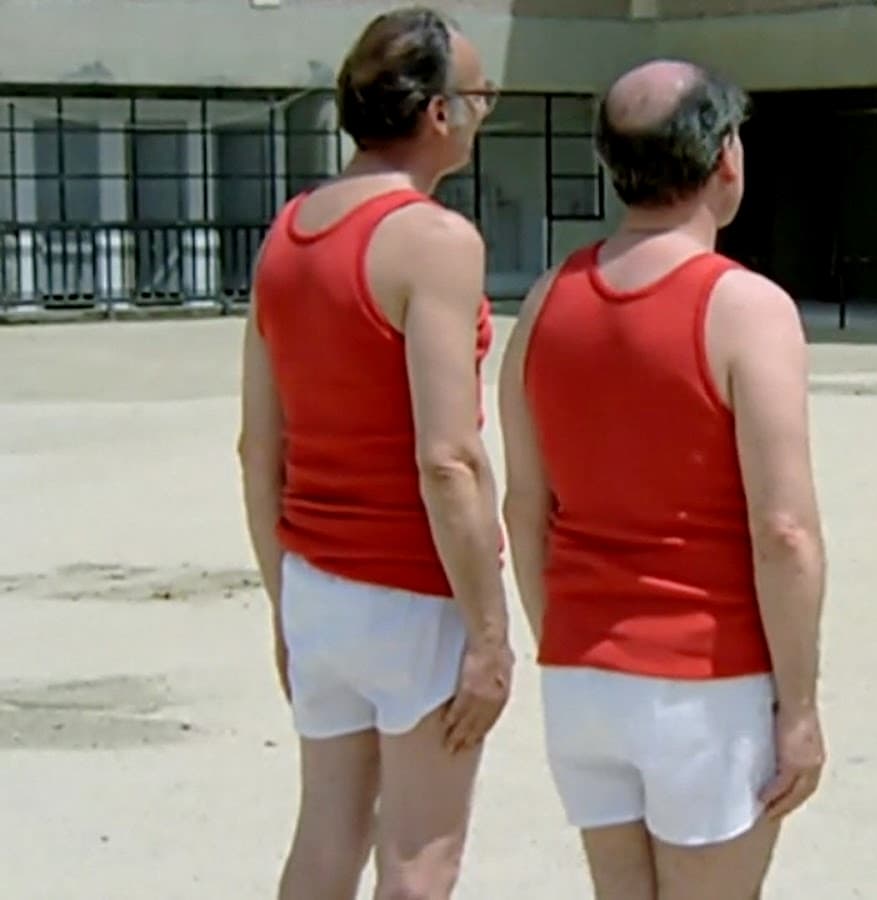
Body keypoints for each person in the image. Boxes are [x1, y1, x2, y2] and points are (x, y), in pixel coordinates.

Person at [497, 59, 826, 900]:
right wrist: (799, 707)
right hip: (704, 679)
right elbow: (783, 530)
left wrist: (564, 636)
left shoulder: (545, 301)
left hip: (582, 673)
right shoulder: (746, 308)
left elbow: (526, 507)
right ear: (726, 157)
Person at [236, 7, 511, 898]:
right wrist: (489, 634)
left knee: (326, 841)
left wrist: (285, 604)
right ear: (438, 111)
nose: (483, 112)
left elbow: (258, 448)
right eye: (481, 95)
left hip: (317, 584)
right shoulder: (433, 242)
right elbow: (448, 458)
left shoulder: (288, 234)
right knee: (420, 859)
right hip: (414, 590)